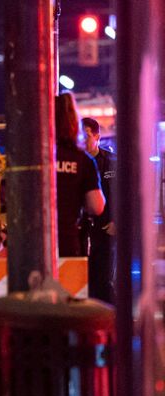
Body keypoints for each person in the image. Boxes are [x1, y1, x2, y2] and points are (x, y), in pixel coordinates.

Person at [54, 94, 105, 257]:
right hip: (67, 241)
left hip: (32, 243)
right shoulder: (82, 160)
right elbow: (97, 207)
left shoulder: (32, 156)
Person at [81, 117, 116, 303]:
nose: (82, 140)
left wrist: (117, 222)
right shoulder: (78, 163)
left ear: (97, 137)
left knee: (104, 281)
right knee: (84, 281)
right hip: (84, 231)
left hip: (105, 230)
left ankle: (114, 321)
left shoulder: (111, 162)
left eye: (86, 136)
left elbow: (123, 194)